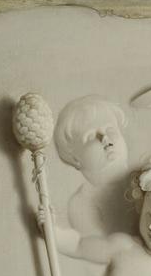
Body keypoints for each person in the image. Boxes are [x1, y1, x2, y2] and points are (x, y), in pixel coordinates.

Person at [55, 95, 135, 235]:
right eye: (91, 136)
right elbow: (95, 245)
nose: (105, 139)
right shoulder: (82, 203)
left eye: (110, 130)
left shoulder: (146, 179)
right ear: (75, 158)